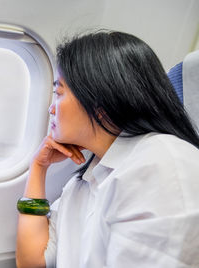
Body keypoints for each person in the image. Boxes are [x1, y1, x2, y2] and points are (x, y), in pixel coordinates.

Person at [15, 30, 199, 268]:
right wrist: (38, 168)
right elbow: (32, 262)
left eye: (59, 93)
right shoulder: (83, 183)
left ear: (100, 101)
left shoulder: (161, 165)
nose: (50, 109)